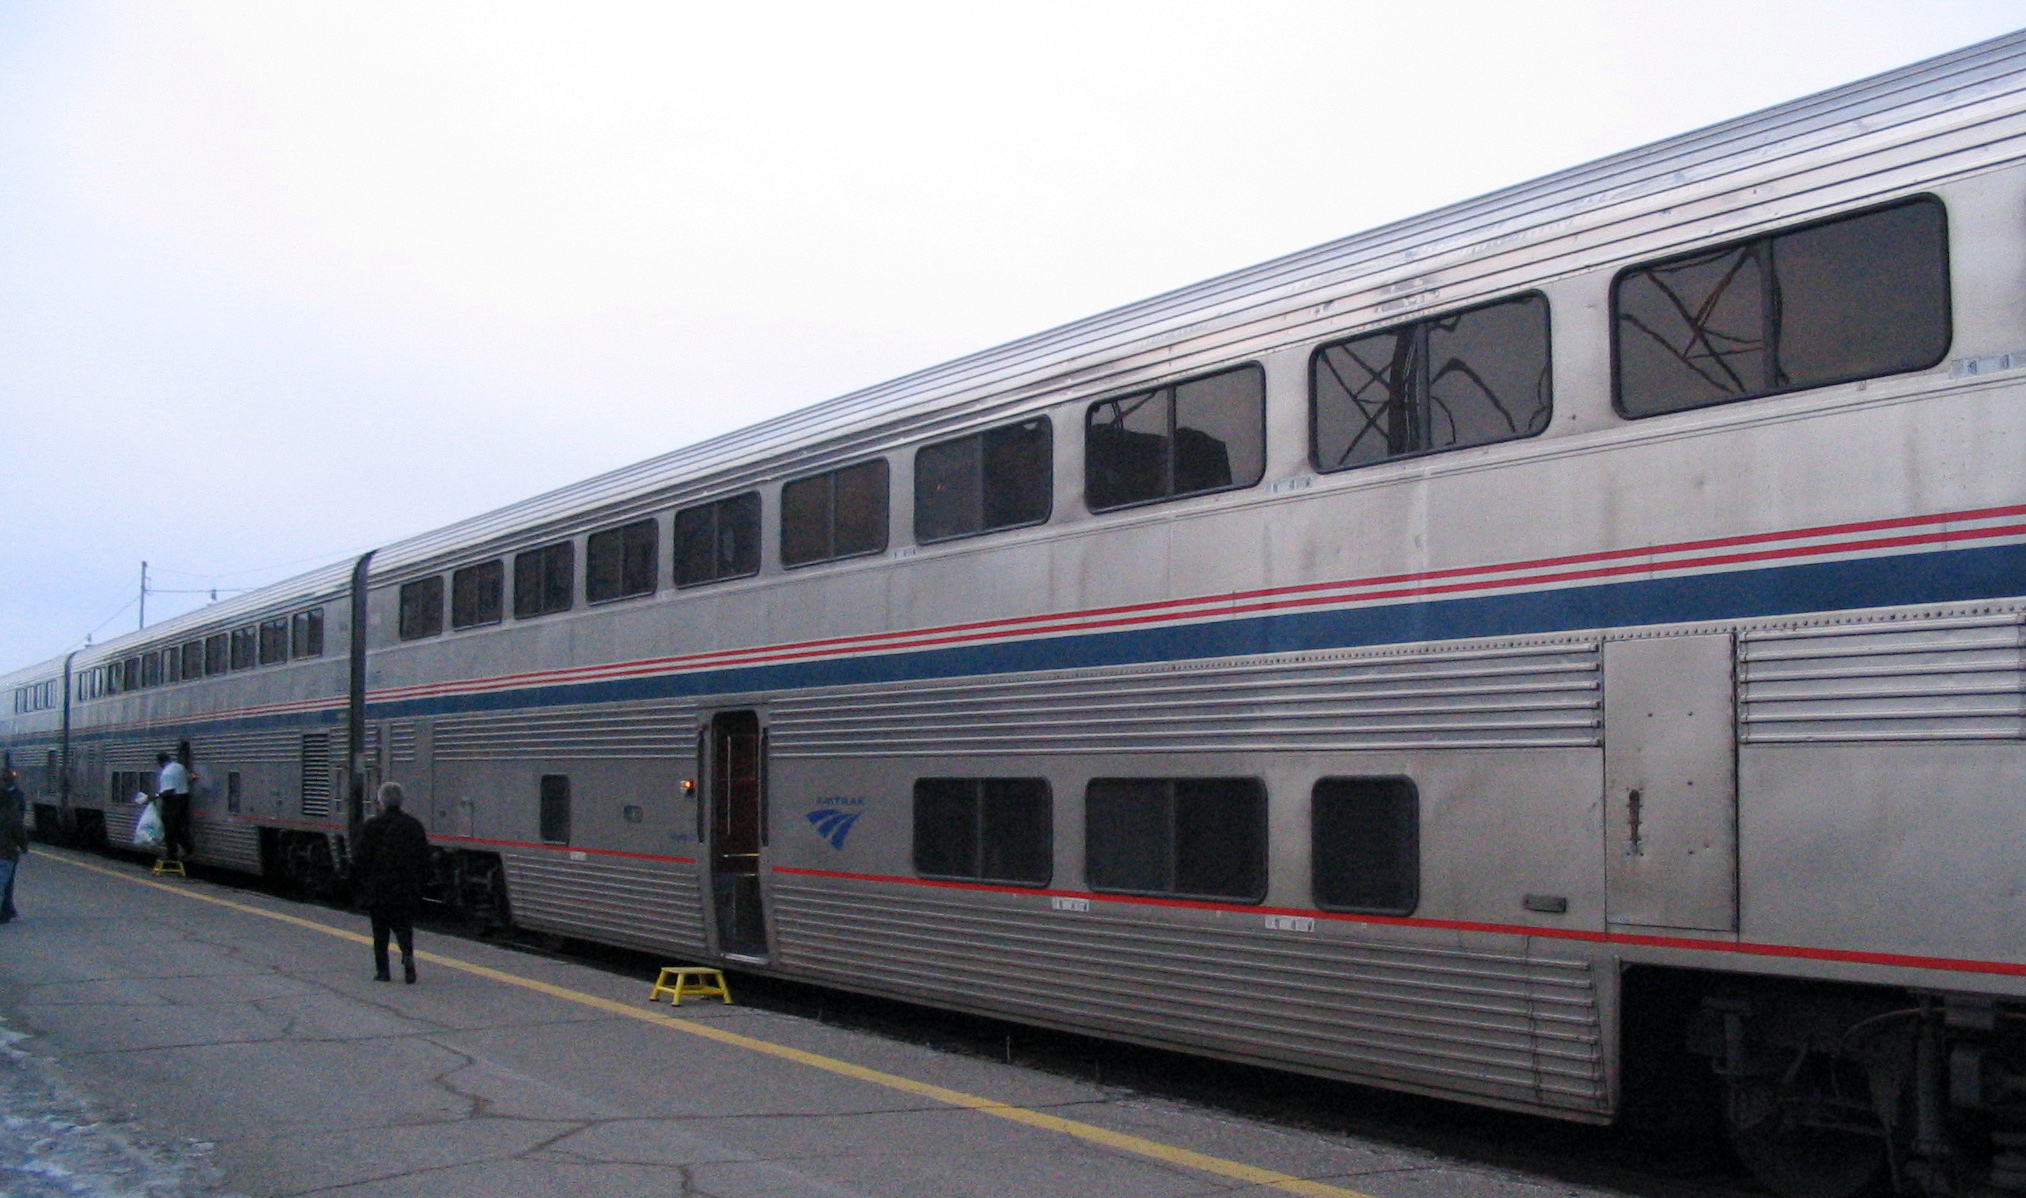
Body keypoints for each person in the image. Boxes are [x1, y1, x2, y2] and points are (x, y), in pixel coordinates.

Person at [352, 782, 429, 983]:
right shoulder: (414, 825)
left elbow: (359, 858)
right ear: (401, 801)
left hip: (378, 888)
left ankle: (383, 972)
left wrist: (362, 883)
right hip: (405, 887)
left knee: (380, 931)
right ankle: (409, 961)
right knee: (404, 927)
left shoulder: (372, 826)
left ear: (380, 802)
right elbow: (424, 858)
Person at [154, 750, 194, 862]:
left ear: (160, 762)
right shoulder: (180, 767)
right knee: (178, 826)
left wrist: (156, 796)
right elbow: (189, 778)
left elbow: (169, 790)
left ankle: (172, 853)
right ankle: (186, 847)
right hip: (184, 800)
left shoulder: (167, 772)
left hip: (172, 801)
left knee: (169, 829)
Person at [0, 769, 25, 923]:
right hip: (8, 853)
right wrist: (23, 847)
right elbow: (19, 831)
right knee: (6, 882)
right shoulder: (12, 816)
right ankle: (6, 910)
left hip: (7, 852)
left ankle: (6, 909)